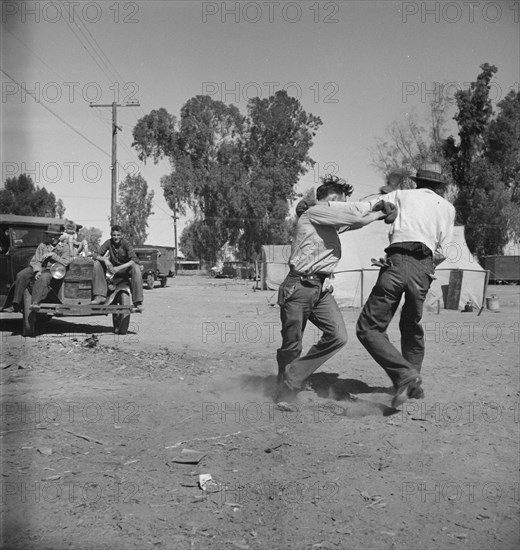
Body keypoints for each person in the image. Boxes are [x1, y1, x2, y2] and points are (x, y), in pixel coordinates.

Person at [275, 175, 396, 402]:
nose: (342, 206)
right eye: (340, 202)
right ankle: (284, 389)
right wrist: (379, 209)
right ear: (330, 199)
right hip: (299, 286)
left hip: (319, 289)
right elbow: (355, 217)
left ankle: (292, 377)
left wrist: (377, 210)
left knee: (338, 336)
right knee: (292, 346)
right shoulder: (315, 212)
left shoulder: (325, 221)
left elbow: (351, 223)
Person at [356, 163, 456, 408]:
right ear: (439, 186)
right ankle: (413, 384)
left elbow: (369, 207)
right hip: (424, 267)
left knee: (369, 327)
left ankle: (405, 375)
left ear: (417, 181)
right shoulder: (447, 208)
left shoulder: (401, 195)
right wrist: (425, 267)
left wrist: (385, 192)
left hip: (397, 260)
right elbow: (443, 249)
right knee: (411, 325)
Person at [3, 224, 72, 313]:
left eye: (54, 236)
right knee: (21, 275)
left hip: (53, 270)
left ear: (59, 236)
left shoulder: (64, 247)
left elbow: (66, 262)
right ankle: (15, 304)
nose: (52, 238)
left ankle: (35, 303)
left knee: (43, 278)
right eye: (50, 235)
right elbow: (35, 260)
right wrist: (37, 271)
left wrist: (54, 256)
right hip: (39, 267)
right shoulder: (42, 245)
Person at [90, 225, 144, 310]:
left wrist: (118, 268)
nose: (116, 237)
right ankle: (100, 295)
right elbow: (95, 255)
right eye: (114, 235)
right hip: (112, 269)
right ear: (111, 235)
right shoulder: (108, 242)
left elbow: (134, 259)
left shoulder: (126, 244)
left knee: (136, 267)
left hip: (125, 270)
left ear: (122, 235)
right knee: (97, 263)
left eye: (118, 235)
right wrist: (105, 260)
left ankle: (138, 301)